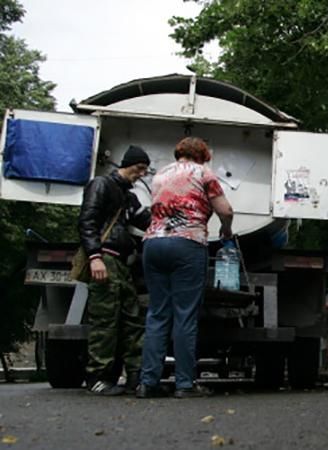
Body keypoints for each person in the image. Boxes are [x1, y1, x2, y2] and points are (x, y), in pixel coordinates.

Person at [136, 137, 234, 398]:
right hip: (187, 244)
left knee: (157, 314)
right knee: (185, 315)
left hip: (153, 244)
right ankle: (184, 384)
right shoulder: (203, 173)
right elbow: (225, 210)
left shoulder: (160, 174)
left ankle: (148, 382)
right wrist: (226, 230)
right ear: (202, 155)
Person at [79, 145, 152, 395]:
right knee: (105, 320)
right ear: (127, 164)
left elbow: (148, 222)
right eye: (139, 168)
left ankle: (135, 375)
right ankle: (97, 378)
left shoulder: (128, 197)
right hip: (105, 259)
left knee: (131, 319)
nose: (141, 174)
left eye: (145, 170)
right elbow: (87, 221)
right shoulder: (101, 185)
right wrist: (94, 257)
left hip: (122, 263)